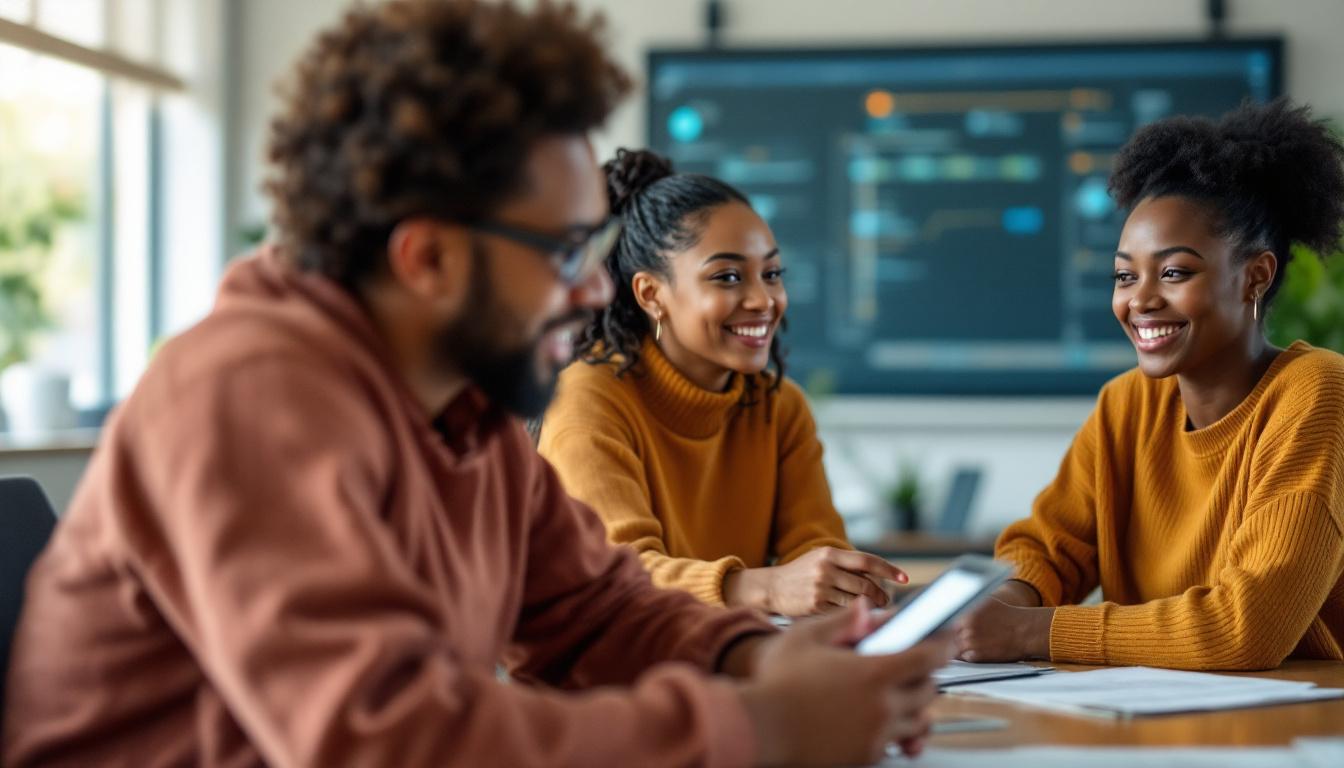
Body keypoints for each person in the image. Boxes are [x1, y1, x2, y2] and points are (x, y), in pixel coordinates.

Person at [2, 2, 951, 766]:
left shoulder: (468, 409)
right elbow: (383, 738)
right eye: (566, 250)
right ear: (427, 259)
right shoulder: (247, 397)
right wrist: (764, 731)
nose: (592, 290)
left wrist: (761, 656)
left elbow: (594, 612)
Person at [957, 99, 1344, 671]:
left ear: (1255, 277)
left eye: (1174, 272)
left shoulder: (1317, 394)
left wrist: (1028, 631)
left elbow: (1247, 626)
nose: (1139, 300)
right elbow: (1047, 551)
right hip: (1156, 722)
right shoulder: (1126, 404)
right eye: (1124, 275)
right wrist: (998, 608)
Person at [538, 149, 908, 617]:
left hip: (735, 659)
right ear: (652, 295)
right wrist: (762, 589)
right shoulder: (589, 400)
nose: (763, 300)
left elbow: (815, 546)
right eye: (728, 276)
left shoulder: (778, 406)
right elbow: (616, 577)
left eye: (772, 274)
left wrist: (840, 583)